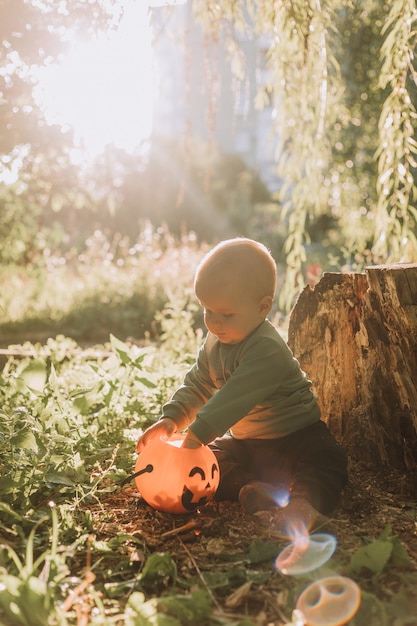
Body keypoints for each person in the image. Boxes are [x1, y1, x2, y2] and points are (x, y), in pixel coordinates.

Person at [136, 238, 347, 533]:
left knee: (325, 458)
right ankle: (249, 488)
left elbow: (234, 398)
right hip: (250, 445)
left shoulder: (267, 348)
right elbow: (198, 383)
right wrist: (171, 420)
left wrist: (195, 434)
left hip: (296, 438)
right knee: (212, 457)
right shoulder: (215, 343)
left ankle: (303, 501)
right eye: (208, 311)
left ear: (262, 308)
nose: (214, 323)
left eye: (227, 314)